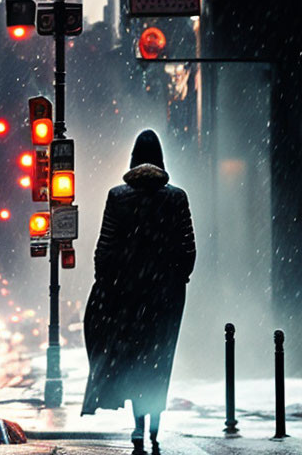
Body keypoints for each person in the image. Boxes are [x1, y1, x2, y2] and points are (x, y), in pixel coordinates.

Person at [81, 130, 196, 454]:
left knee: (132, 359)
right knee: (159, 360)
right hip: (165, 298)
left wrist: (109, 284)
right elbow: (188, 248)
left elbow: (105, 249)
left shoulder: (118, 197)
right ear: (161, 160)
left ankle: (137, 427)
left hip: (126, 296)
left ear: (133, 159)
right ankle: (156, 426)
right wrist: (176, 281)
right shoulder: (176, 198)